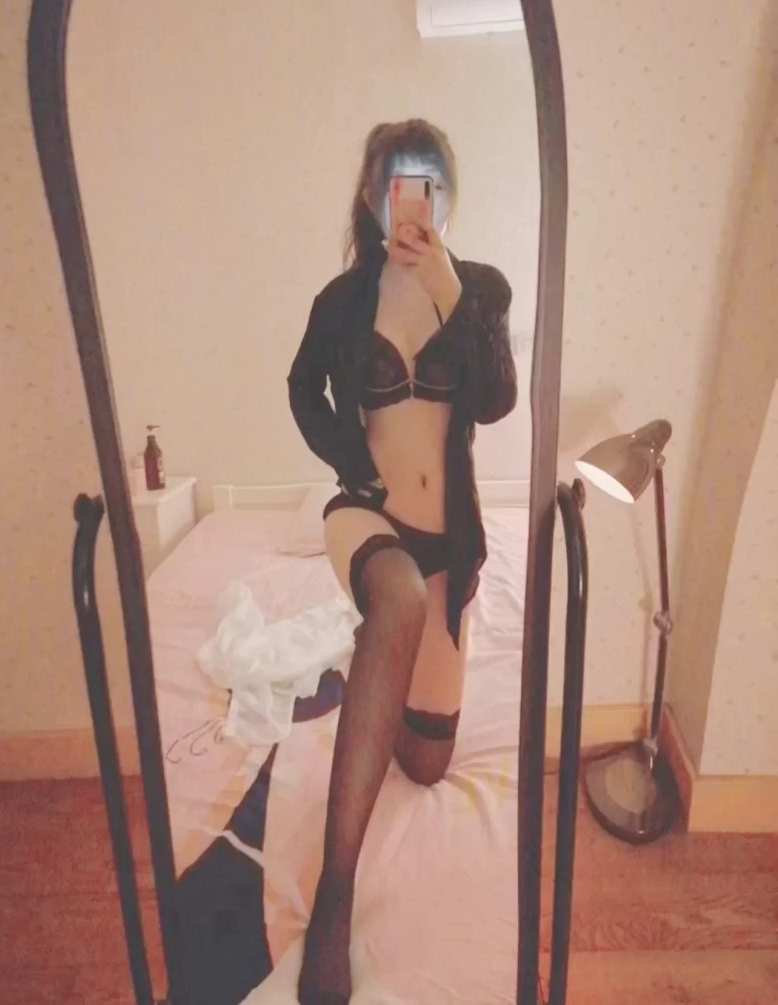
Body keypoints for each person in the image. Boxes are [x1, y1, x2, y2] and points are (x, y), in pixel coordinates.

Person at [287, 119, 517, 1004]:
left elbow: (496, 400)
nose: (414, 199)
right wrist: (351, 459)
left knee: (425, 763)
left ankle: (374, 680)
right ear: (373, 195)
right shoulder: (343, 301)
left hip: (445, 543)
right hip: (369, 519)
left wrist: (447, 283)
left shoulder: (479, 289)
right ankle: (334, 900)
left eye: (429, 182)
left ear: (445, 196)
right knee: (398, 600)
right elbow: (301, 387)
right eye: (398, 182)